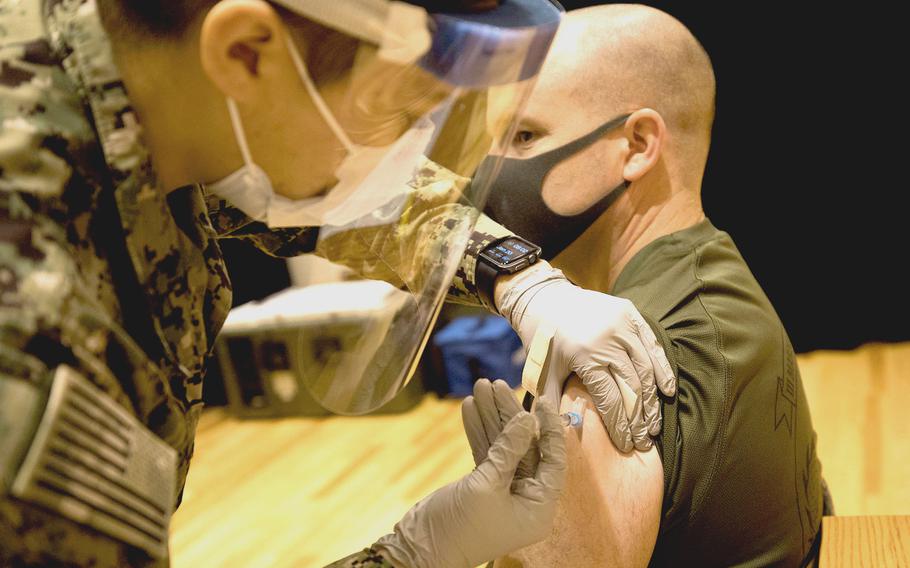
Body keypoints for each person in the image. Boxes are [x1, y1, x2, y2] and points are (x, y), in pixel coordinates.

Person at [0, 0, 675, 566]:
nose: (408, 152)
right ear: (245, 53)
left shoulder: (142, 73)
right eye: (394, 111)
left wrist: (518, 276)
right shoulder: (33, 337)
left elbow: (314, 195)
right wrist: (414, 553)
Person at [475, 4, 826, 566]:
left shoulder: (623, 366)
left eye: (524, 136)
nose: (492, 170)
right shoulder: (710, 274)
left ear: (638, 145)